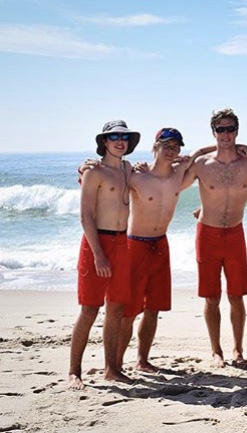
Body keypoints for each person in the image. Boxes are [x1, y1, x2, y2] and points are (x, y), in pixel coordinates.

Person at [116, 128, 215, 373]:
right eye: (166, 145)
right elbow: (106, 175)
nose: (171, 151)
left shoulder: (178, 172)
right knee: (129, 311)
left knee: (153, 308)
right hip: (136, 244)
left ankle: (142, 360)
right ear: (155, 147)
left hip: (160, 244)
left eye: (176, 147)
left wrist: (237, 147)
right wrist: (85, 167)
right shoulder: (136, 175)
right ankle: (115, 363)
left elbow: (200, 152)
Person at [181, 108, 247, 368]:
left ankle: (238, 349)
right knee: (211, 297)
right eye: (220, 129)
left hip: (235, 234)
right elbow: (172, 180)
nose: (225, 134)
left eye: (230, 129)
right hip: (207, 234)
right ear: (213, 132)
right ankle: (216, 351)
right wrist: (197, 151)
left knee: (237, 296)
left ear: (237, 131)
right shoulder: (202, 164)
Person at [69, 120, 140, 389]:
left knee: (117, 307)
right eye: (114, 137)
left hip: (123, 243)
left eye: (124, 137)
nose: (119, 141)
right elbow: (85, 215)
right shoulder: (93, 172)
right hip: (96, 243)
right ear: (104, 142)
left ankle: (112, 369)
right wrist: (98, 254)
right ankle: (74, 371)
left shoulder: (127, 168)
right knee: (89, 308)